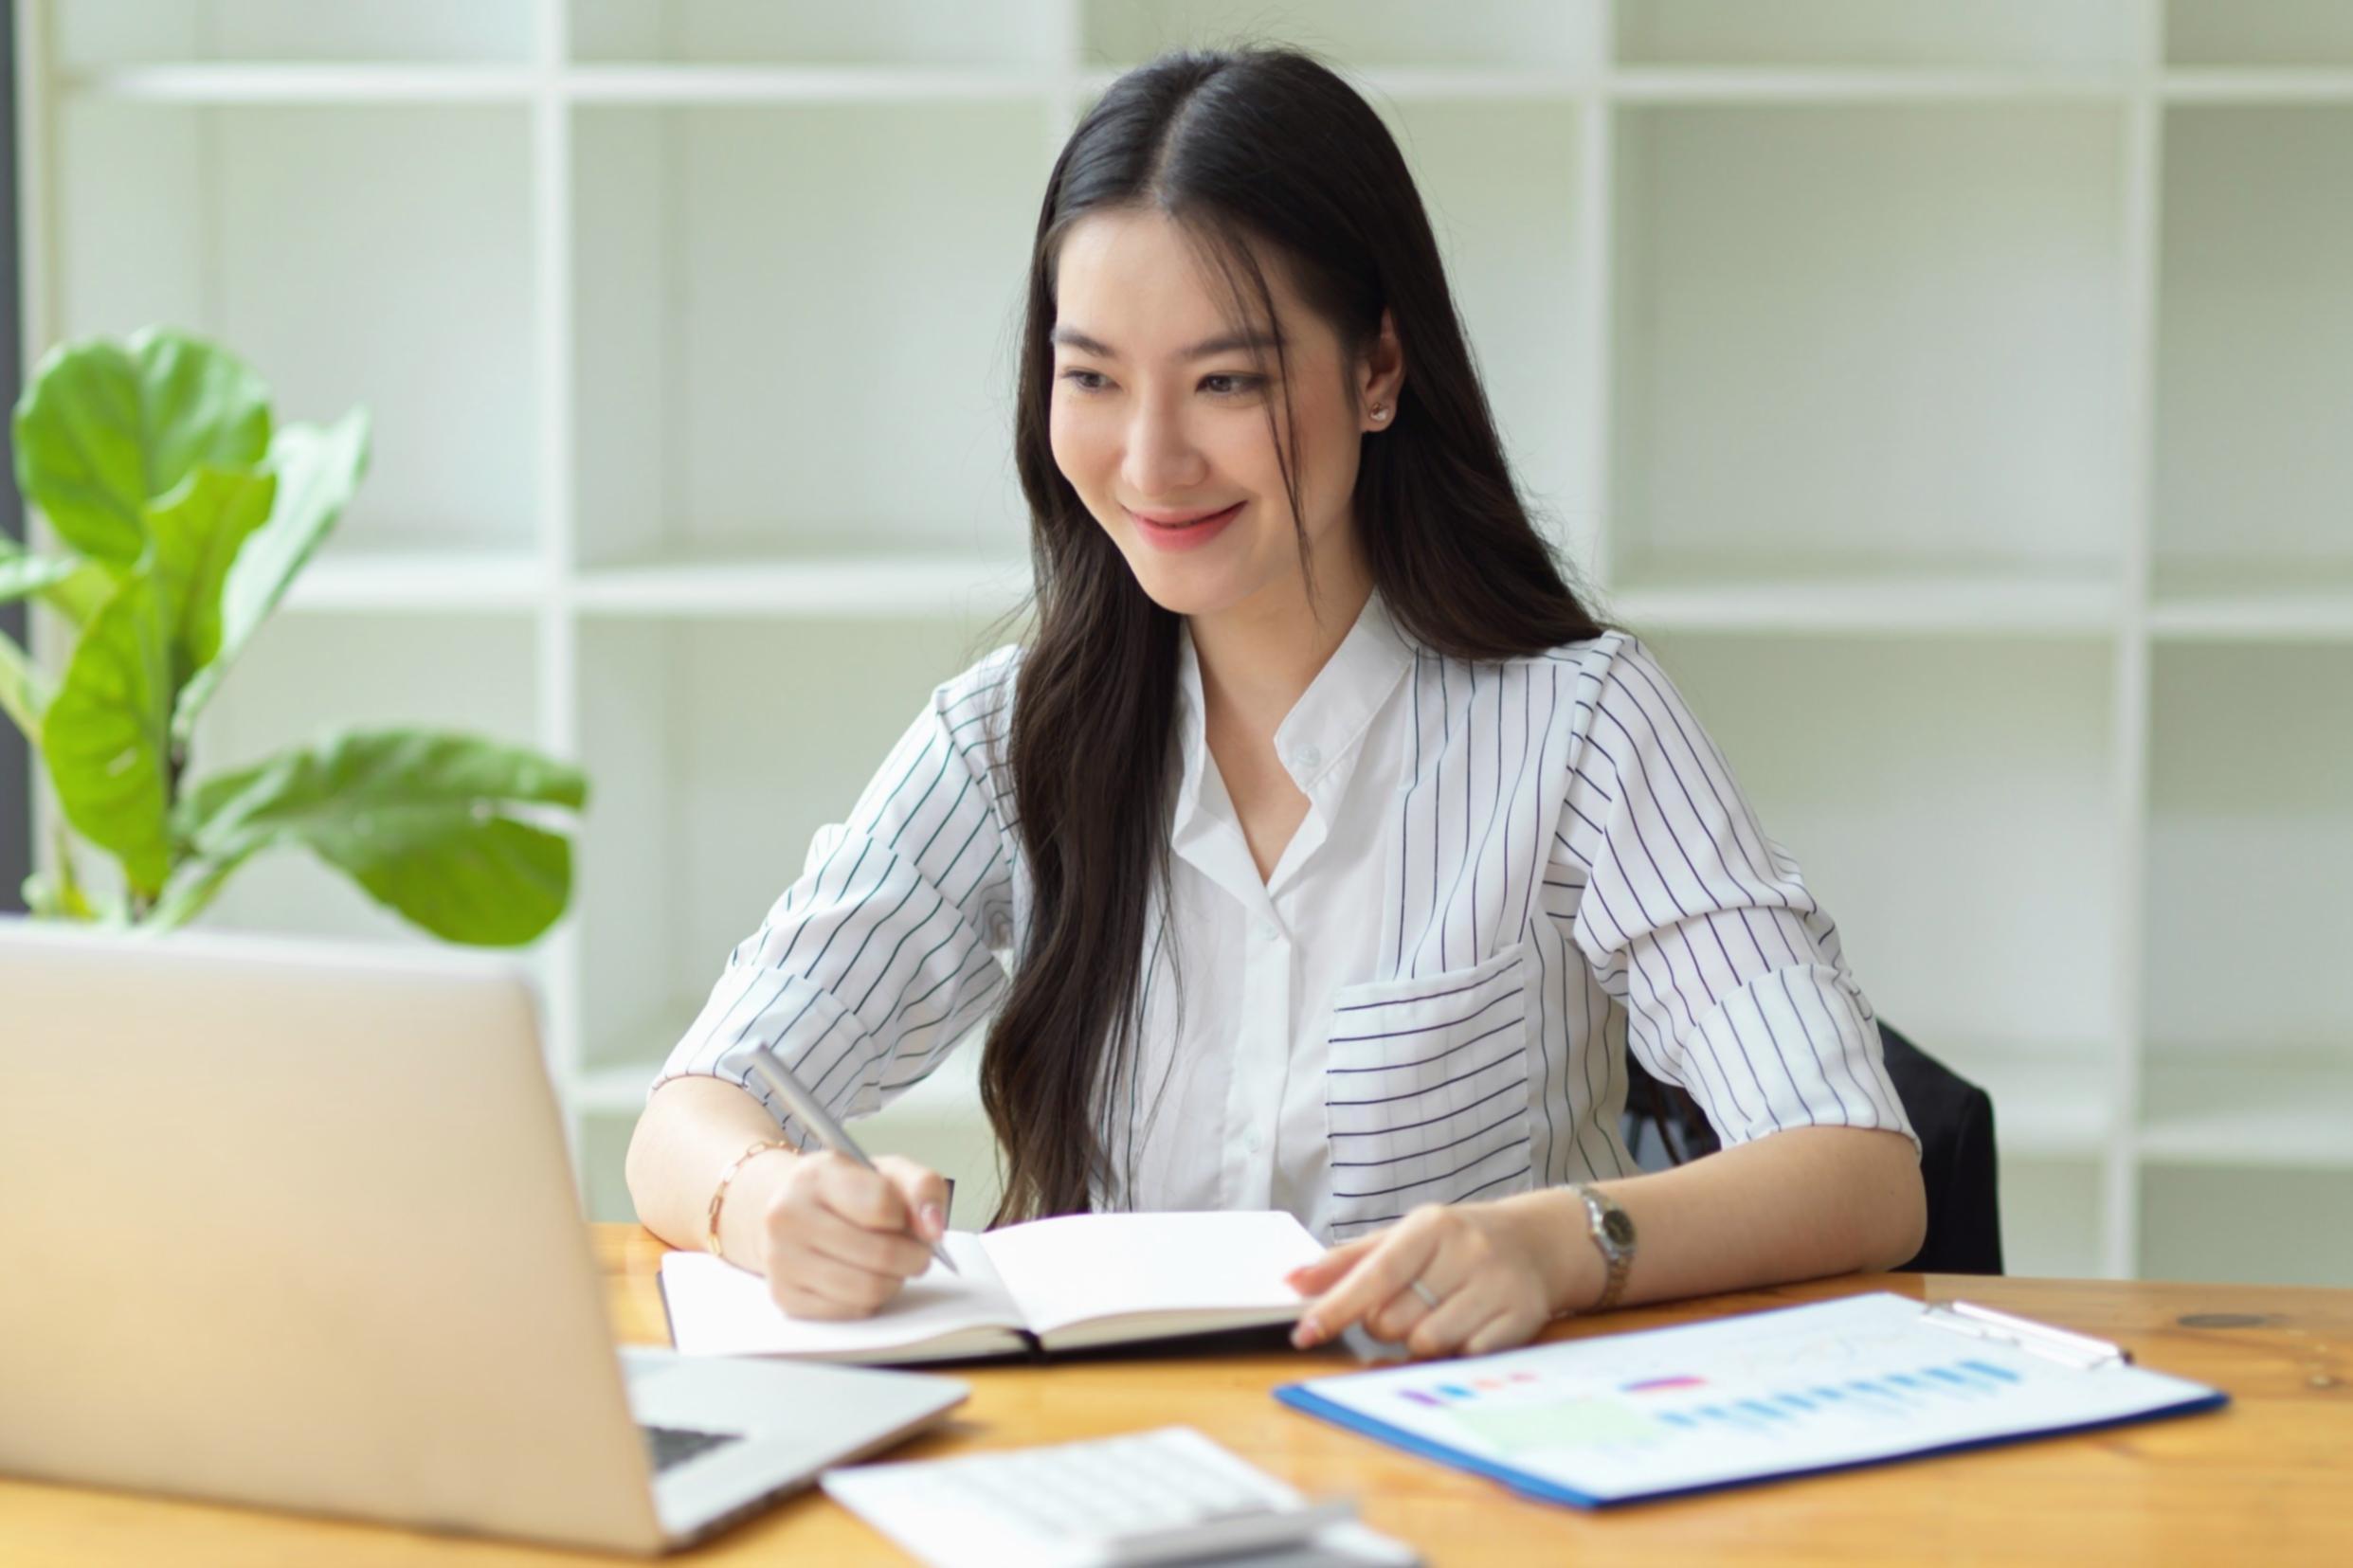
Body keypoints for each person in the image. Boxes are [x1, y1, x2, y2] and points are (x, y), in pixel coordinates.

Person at [625, 45, 1925, 1360]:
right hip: (1123, 1469)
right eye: (1094, 378)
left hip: (1471, 1469)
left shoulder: (1578, 729)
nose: (1151, 460)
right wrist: (767, 1200)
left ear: (1376, 372)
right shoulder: (1006, 742)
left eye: (1226, 382)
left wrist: (1559, 1242)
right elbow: (692, 1111)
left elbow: (1861, 1170)